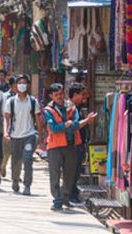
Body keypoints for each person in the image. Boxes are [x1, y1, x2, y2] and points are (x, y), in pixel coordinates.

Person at [43, 82, 89, 211]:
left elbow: (75, 124)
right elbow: (53, 128)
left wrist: (68, 125)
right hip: (55, 146)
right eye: (56, 94)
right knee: (55, 174)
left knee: (70, 174)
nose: (59, 96)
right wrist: (65, 125)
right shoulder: (48, 110)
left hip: (71, 145)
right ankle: (57, 199)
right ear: (51, 96)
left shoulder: (71, 107)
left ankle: (65, 197)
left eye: (61, 93)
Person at [2, 75, 40, 195]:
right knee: (15, 161)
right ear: (16, 86)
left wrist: (41, 134)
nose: (22, 85)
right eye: (20, 83)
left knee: (28, 160)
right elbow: (6, 119)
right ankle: (15, 180)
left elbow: (38, 118)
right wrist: (6, 132)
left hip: (29, 135)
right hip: (15, 136)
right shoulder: (11, 101)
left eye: (24, 83)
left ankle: (27, 185)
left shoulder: (33, 101)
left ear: (27, 86)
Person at [67, 84, 97, 207]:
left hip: (78, 144)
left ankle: (73, 194)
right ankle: (70, 196)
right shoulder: (70, 108)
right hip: (73, 145)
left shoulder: (77, 107)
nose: (84, 98)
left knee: (76, 171)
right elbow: (74, 125)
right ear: (75, 95)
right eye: (82, 95)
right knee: (73, 171)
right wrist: (87, 121)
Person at [0, 77, 17, 183]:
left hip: (20, 128)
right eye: (15, 86)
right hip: (7, 127)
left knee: (18, 153)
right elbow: (3, 112)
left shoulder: (26, 97)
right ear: (10, 86)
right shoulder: (5, 97)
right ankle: (3, 165)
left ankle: (16, 172)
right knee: (7, 151)